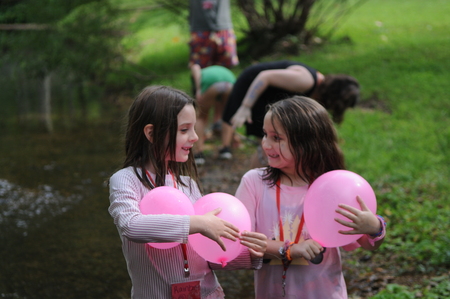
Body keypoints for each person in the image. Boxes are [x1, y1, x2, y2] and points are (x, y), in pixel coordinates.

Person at [108, 85, 267, 298]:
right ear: (152, 133)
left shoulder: (187, 184)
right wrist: (197, 222)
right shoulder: (126, 180)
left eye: (194, 128)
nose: (195, 137)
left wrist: (249, 255)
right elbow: (131, 226)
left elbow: (207, 255)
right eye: (184, 130)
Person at [234, 96, 386, 298]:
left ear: (307, 143)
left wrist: (374, 228)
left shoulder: (334, 188)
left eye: (276, 138)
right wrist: (290, 250)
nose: (265, 144)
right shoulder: (254, 182)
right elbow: (242, 242)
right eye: (265, 135)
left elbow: (365, 244)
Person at [219, 60, 360, 165]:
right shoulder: (306, 81)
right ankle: (256, 179)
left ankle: (261, 175)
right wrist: (246, 106)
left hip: (267, 95)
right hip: (253, 84)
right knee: (267, 142)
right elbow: (265, 76)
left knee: (269, 142)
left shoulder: (316, 86)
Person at [190, 64, 236, 165]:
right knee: (227, 116)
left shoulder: (202, 71)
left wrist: (198, 89)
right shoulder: (222, 69)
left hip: (212, 86)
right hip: (230, 85)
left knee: (201, 117)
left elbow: (195, 67)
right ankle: (226, 149)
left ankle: (199, 153)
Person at [188, 0, 239, 69]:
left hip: (223, 28)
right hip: (201, 29)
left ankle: (223, 79)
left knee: (225, 64)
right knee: (200, 65)